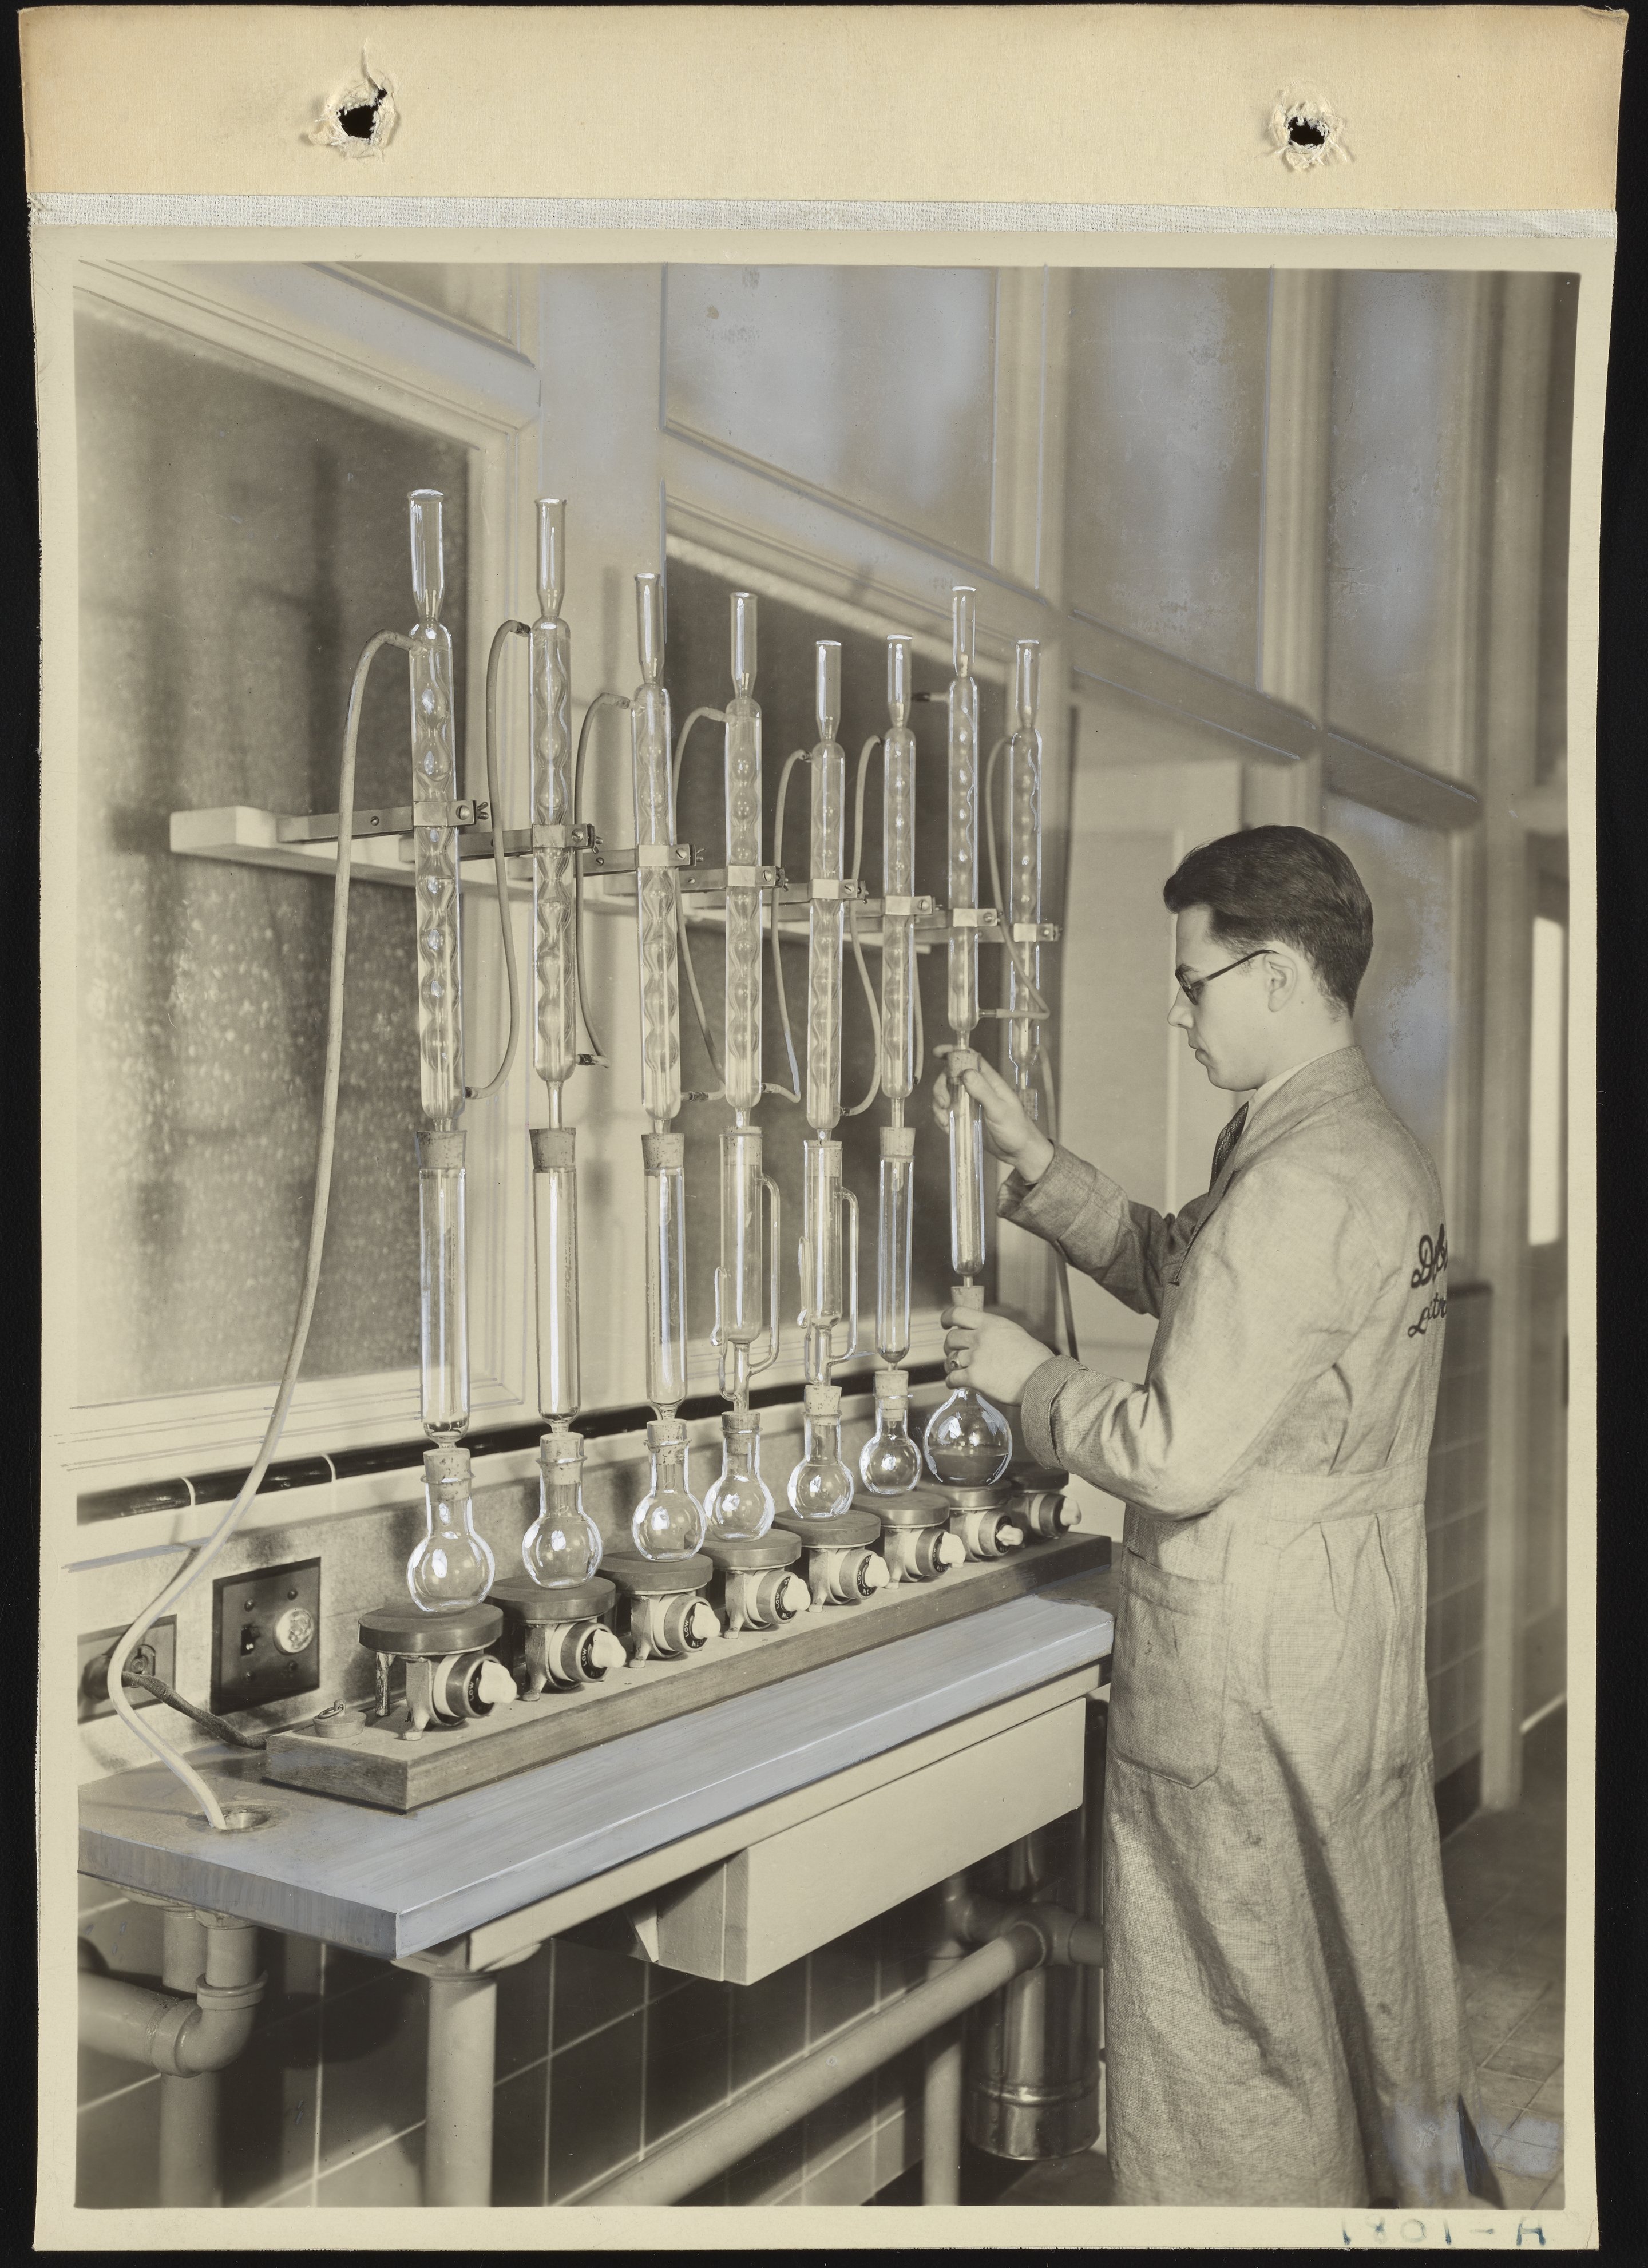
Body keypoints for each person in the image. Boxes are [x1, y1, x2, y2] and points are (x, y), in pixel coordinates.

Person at [933, 824, 1500, 2211]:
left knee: (1235, 2020)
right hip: (1337, 1631)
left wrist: (1028, 1379)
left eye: (1194, 983)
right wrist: (1038, 1158)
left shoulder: (1302, 1177)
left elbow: (1176, 1451)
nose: (1181, 1013)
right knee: (1342, 1982)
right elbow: (1183, 1266)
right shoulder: (1347, 1141)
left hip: (1249, 1652)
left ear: (1280, 973)